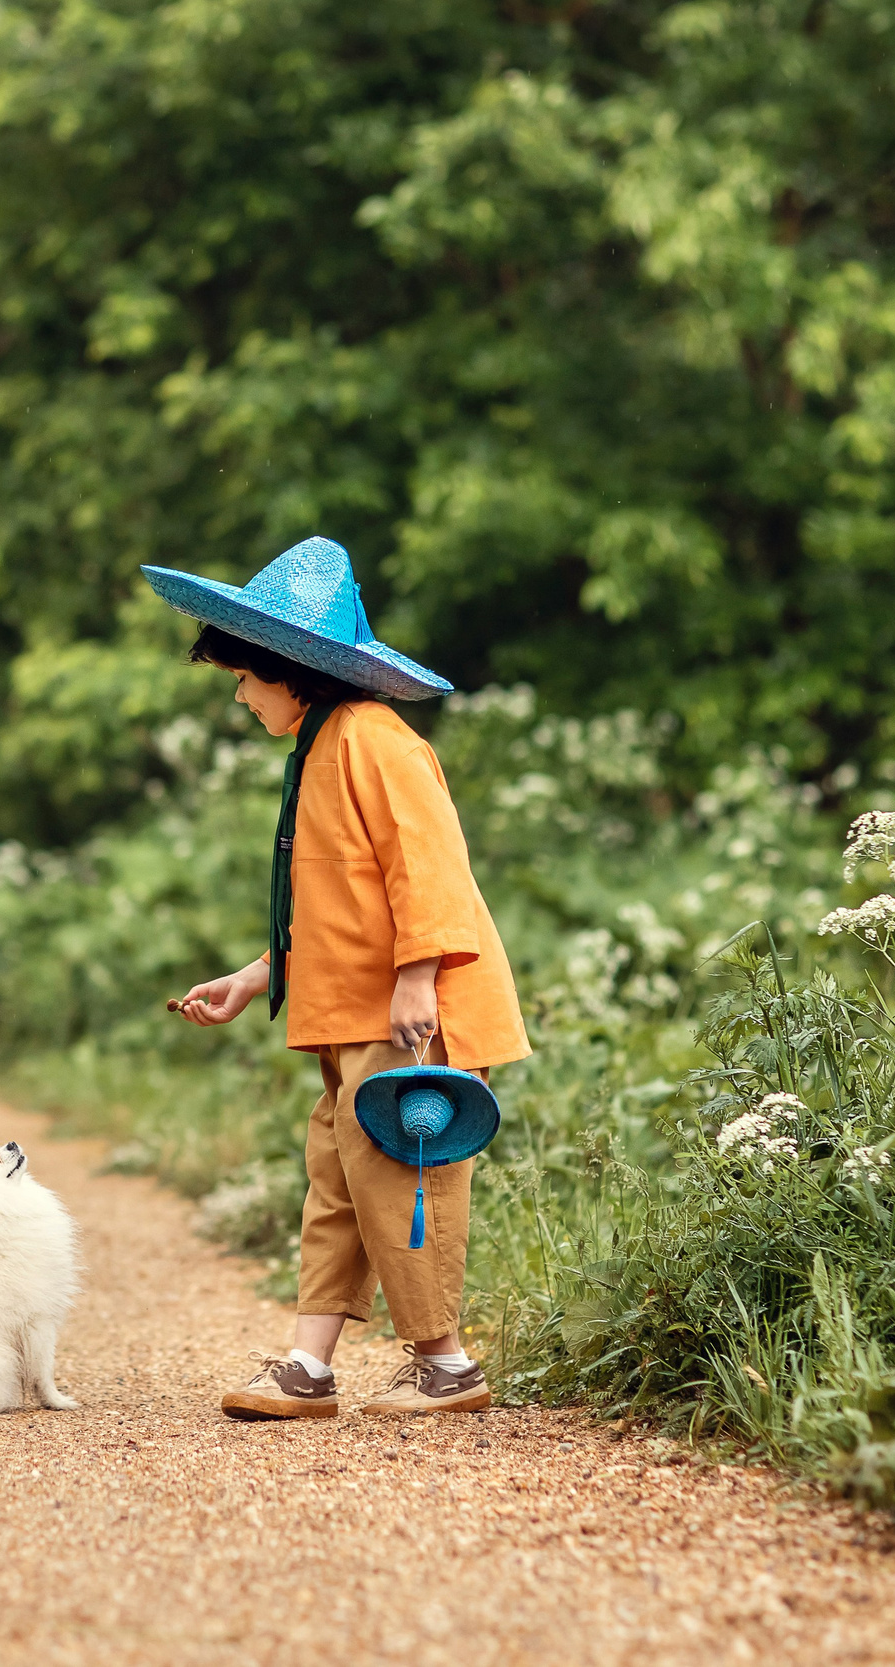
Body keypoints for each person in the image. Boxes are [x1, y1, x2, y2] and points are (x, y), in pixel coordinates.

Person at [141, 537, 530, 1418]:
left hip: (407, 1016)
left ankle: (448, 1363)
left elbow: (424, 869)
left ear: (287, 668)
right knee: (340, 1175)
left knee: (401, 1170)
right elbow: (336, 902)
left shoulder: (376, 743)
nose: (238, 692)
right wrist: (254, 975)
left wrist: (419, 977)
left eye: (242, 674)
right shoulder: (319, 746)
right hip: (351, 1012)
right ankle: (308, 1366)